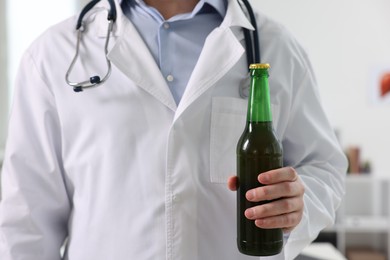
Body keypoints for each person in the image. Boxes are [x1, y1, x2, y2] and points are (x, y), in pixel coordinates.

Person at [0, 0, 347, 259]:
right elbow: (25, 224)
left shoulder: (277, 48)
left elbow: (323, 167)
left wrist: (299, 204)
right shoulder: (53, 56)